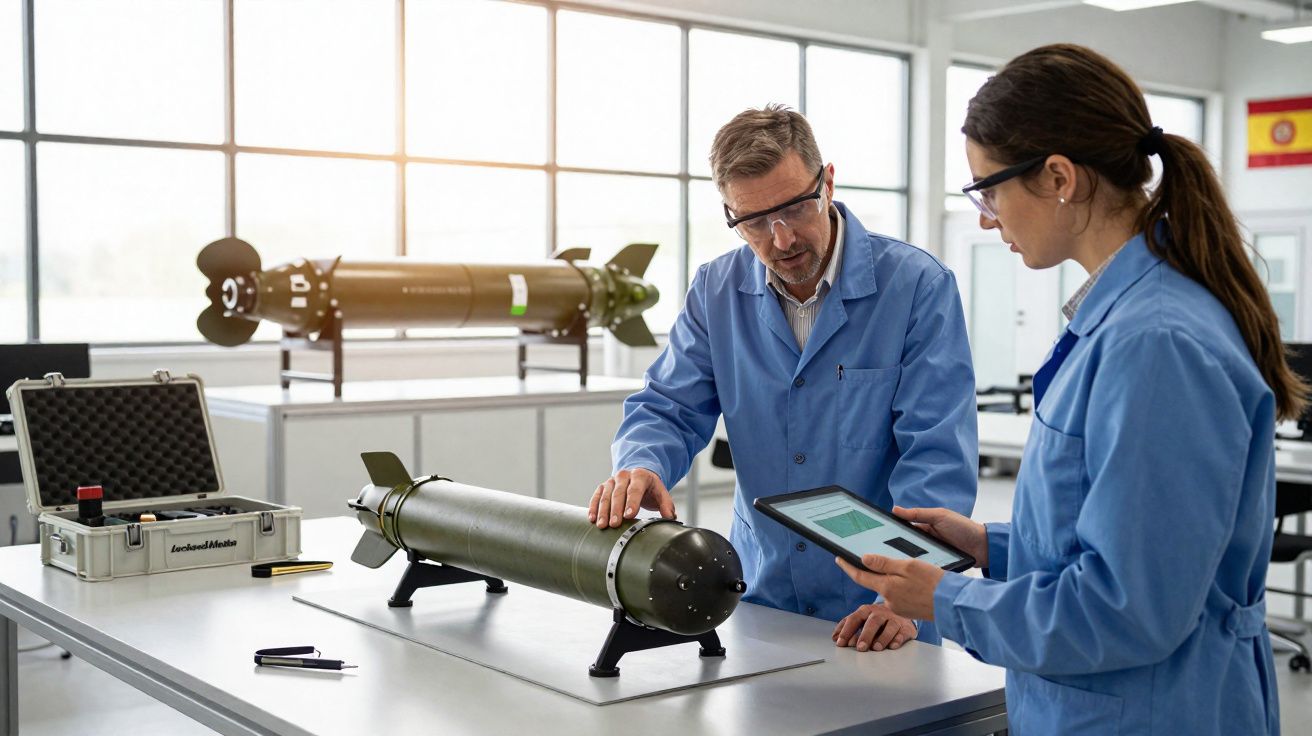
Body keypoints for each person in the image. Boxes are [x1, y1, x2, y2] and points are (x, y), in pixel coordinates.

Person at [839, 44, 1296, 734]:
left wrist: (949, 600)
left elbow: (1132, 609)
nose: (987, 218)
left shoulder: (1155, 343)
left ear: (1058, 177)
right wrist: (993, 546)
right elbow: (1133, 540)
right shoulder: (1126, 318)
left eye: (988, 190)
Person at [588, 104, 978, 652]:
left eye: (796, 208)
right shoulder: (714, 291)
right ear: (730, 214)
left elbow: (936, 454)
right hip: (760, 594)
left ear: (828, 183)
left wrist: (906, 596)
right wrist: (642, 462)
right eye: (753, 222)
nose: (782, 239)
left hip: (880, 609)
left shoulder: (917, 287)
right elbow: (669, 406)